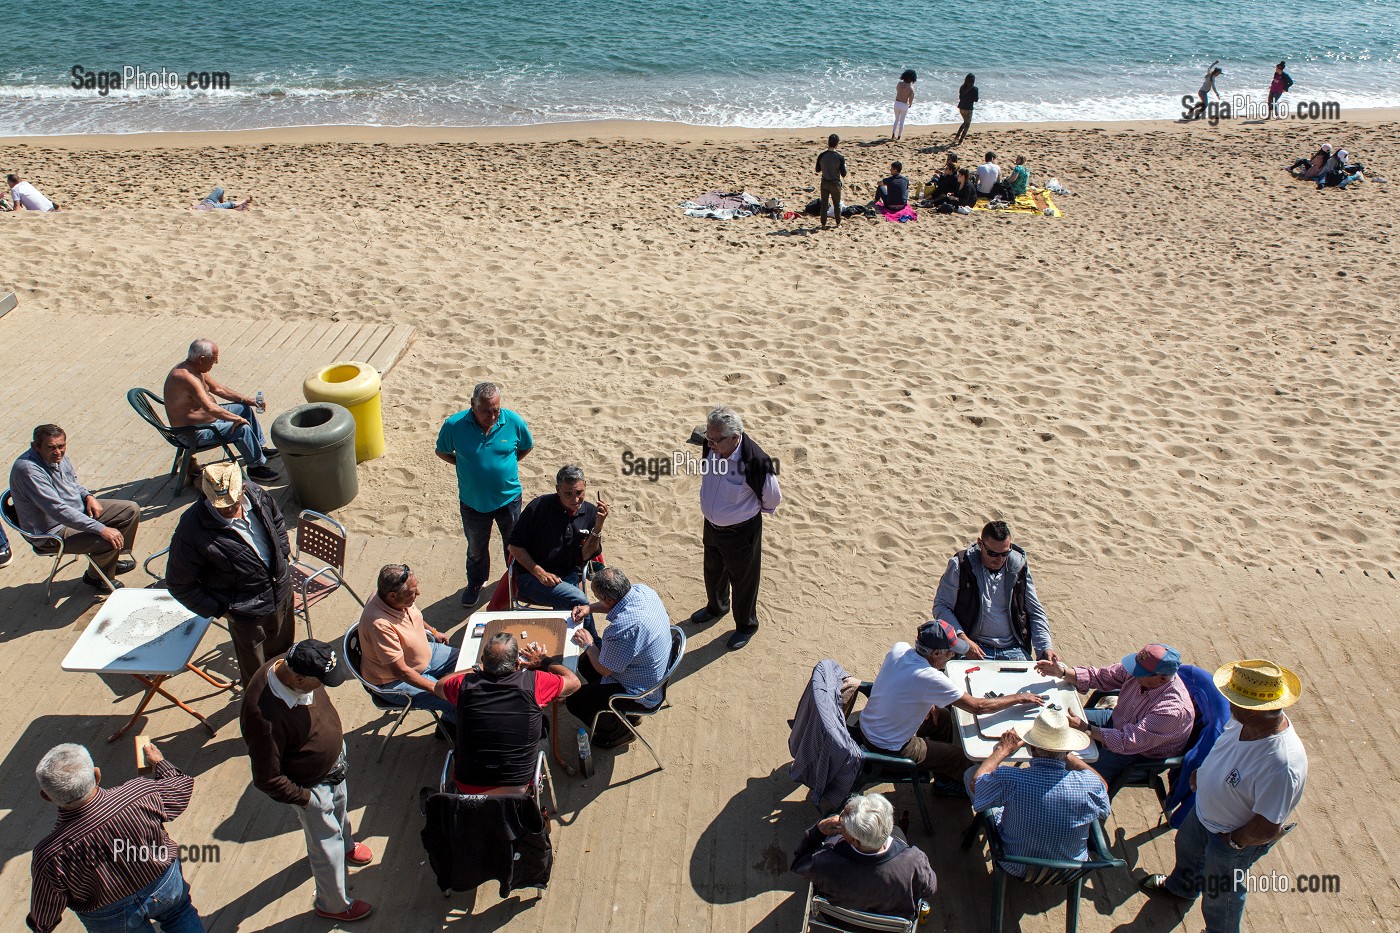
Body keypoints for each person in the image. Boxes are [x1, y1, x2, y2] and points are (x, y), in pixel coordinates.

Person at [1139, 659, 1307, 933]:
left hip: (1231, 838)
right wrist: (1203, 775)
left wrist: (1233, 843)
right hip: (1204, 812)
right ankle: (1180, 888)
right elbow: (1224, 749)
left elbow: (1267, 826)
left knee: (1222, 896)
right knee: (1187, 851)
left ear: (1253, 711)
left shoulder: (1281, 764)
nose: (1228, 702)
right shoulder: (1243, 723)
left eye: (1235, 700)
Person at [241, 639, 373, 922]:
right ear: (299, 678)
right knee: (325, 847)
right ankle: (333, 904)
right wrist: (307, 800)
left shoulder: (295, 663)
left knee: (341, 808)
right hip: (311, 786)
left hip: (333, 766)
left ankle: (347, 844)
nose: (324, 686)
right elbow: (267, 778)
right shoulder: (263, 717)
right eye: (321, 681)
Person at [27, 743, 202, 933]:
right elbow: (181, 786)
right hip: (165, 885)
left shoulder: (49, 854)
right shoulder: (140, 794)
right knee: (179, 915)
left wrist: (41, 926)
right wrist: (160, 763)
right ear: (97, 775)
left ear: (46, 796)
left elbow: (47, 904)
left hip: (108, 916)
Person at [855, 620, 1044, 790]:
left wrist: (926, 700)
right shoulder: (930, 678)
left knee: (943, 717)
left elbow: (904, 684)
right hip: (888, 748)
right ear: (936, 653)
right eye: (950, 652)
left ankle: (942, 774)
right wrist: (1018, 697)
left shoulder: (900, 649)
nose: (952, 656)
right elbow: (978, 706)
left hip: (867, 727)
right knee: (960, 758)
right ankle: (949, 784)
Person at [166, 462, 294, 684]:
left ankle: (284, 695)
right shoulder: (192, 529)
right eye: (220, 505)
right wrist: (222, 610)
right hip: (246, 614)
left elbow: (277, 522)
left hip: (281, 593)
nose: (227, 509)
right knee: (256, 676)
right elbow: (180, 585)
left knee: (283, 656)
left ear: (243, 489)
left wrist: (282, 555)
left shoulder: (257, 495)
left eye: (232, 502)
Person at [968, 708, 1112, 876]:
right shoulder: (1090, 784)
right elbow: (1102, 785)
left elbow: (976, 784)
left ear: (1032, 748)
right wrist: (1065, 753)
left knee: (970, 774)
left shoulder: (1010, 779)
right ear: (1067, 749)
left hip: (1016, 865)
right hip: (1069, 870)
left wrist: (1003, 750)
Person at [685, 405, 781, 649]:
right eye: (708, 437)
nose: (710, 443)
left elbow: (772, 499)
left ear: (735, 437)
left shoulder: (757, 462)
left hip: (742, 531)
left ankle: (746, 625)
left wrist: (743, 515)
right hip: (712, 526)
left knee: (744, 580)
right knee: (713, 570)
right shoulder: (712, 444)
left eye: (715, 439)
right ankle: (716, 607)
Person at [434, 632, 581, 791]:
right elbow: (574, 682)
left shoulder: (463, 684)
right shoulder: (534, 682)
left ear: (484, 661)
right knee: (543, 722)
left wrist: (478, 667)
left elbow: (440, 685)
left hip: (467, 784)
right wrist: (543, 660)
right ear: (517, 664)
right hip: (518, 785)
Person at [1036, 643, 1195, 786]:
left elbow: (1127, 742)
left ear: (1161, 679)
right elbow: (1100, 676)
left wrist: (1086, 729)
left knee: (1072, 774)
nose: (1133, 673)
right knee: (1055, 720)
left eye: (1140, 673)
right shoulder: (1141, 671)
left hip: (1138, 754)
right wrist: (1062, 672)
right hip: (1117, 721)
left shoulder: (1171, 711)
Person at [436, 381, 533, 607]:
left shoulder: (514, 421)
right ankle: (476, 583)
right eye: (485, 410)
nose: (492, 416)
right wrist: (465, 464)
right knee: (476, 548)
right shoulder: (454, 425)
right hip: (473, 502)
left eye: (496, 410)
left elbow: (526, 446)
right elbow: (442, 451)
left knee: (514, 545)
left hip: (509, 500)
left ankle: (516, 583)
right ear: (472, 405)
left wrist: (504, 465)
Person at [9, 424, 140, 592]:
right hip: (53, 530)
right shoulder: (29, 470)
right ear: (36, 447)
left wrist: (88, 496)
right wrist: (101, 529)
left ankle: (109, 562)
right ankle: (96, 577)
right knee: (107, 539)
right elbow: (58, 510)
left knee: (131, 510)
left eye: (61, 446)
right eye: (51, 447)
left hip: (76, 511)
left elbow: (72, 483)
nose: (58, 452)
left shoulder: (58, 457)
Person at [565, 567, 673, 748]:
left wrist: (588, 644)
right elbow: (615, 603)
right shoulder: (642, 591)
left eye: (598, 598)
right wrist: (589, 608)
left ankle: (618, 734)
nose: (597, 601)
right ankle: (613, 709)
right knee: (585, 663)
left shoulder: (622, 629)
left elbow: (604, 669)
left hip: (641, 692)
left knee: (575, 702)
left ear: (608, 599)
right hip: (653, 670)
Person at [791, 792, 937, 920]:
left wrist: (817, 831)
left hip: (840, 920)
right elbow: (929, 888)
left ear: (854, 841)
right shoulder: (914, 862)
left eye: (842, 821)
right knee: (900, 833)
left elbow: (799, 863)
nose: (839, 820)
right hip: (887, 927)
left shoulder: (825, 861)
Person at [933, 520, 1058, 662]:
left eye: (1005, 553)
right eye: (992, 553)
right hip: (974, 647)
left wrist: (1045, 648)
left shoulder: (1018, 567)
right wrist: (962, 639)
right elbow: (941, 606)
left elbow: (1035, 611)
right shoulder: (960, 566)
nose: (999, 559)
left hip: (1014, 649)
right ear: (980, 544)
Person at [163, 337, 279, 482]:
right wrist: (235, 419)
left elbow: (218, 389)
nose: (216, 362)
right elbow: (210, 407)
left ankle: (258, 448)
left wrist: (246, 400)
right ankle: (255, 468)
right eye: (214, 359)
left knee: (243, 408)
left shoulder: (197, 368)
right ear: (201, 359)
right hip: (193, 433)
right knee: (241, 428)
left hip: (208, 418)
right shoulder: (186, 377)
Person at [356, 563, 460, 725]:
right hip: (395, 680)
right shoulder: (380, 625)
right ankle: (457, 733)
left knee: (466, 660)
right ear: (392, 596)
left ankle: (449, 721)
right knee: (455, 700)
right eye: (412, 592)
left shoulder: (395, 598)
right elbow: (401, 672)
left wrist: (433, 632)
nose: (418, 593)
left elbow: (414, 613)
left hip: (426, 653)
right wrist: (436, 689)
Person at [507, 464, 607, 612]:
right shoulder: (538, 507)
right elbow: (514, 546)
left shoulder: (591, 512)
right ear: (557, 490)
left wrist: (598, 527)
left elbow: (586, 555)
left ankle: (567, 633)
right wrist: (541, 573)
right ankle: (591, 636)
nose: (575, 499)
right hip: (532, 577)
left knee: (568, 606)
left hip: (568, 576)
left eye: (580, 492)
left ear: (585, 486)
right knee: (579, 600)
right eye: (568, 494)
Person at [815, 134, 847, 230]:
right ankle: (838, 223)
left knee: (824, 204)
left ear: (828, 143)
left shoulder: (822, 155)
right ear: (837, 144)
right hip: (835, 182)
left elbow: (817, 169)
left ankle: (823, 224)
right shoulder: (840, 157)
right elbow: (844, 173)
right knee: (836, 204)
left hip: (825, 181)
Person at [953, 74, 978, 146]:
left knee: (965, 122)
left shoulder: (962, 87)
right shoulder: (975, 89)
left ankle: (957, 136)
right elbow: (976, 100)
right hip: (969, 109)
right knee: (967, 124)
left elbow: (960, 97)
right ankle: (960, 140)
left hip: (961, 108)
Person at [892, 70, 917, 140]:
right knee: (902, 121)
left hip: (897, 103)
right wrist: (910, 104)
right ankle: (899, 136)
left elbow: (897, 90)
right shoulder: (911, 88)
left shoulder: (899, 84)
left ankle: (893, 134)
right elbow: (911, 99)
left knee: (896, 120)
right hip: (904, 105)